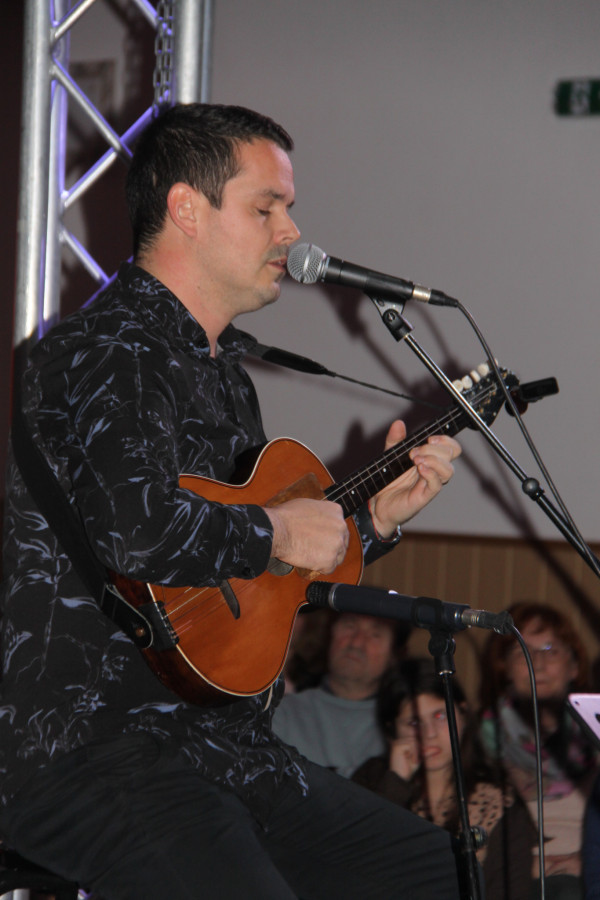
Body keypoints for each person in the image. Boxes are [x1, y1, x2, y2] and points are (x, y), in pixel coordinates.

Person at [0, 102, 464, 900]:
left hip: (220, 746)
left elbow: (241, 589)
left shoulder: (223, 377)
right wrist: (278, 529)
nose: (292, 232)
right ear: (187, 209)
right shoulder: (104, 351)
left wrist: (372, 522)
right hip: (89, 744)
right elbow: (138, 533)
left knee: (435, 872)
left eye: (288, 209)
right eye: (266, 208)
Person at [353, 658, 536, 900]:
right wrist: (395, 785)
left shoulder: (500, 799)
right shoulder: (373, 780)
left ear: (462, 714)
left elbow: (512, 892)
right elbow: (352, 868)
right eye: (414, 722)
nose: (428, 734)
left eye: (440, 716)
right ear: (392, 730)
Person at [480, 601, 598, 900]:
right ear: (505, 668)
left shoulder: (594, 732)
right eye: (523, 652)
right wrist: (524, 866)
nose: (538, 663)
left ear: (574, 666)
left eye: (550, 650)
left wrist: (589, 863)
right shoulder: (478, 741)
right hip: (514, 876)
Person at [273, 610, 409, 776]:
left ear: (394, 655)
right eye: (349, 626)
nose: (356, 642)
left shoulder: (403, 727)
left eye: (375, 635)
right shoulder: (282, 713)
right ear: (331, 633)